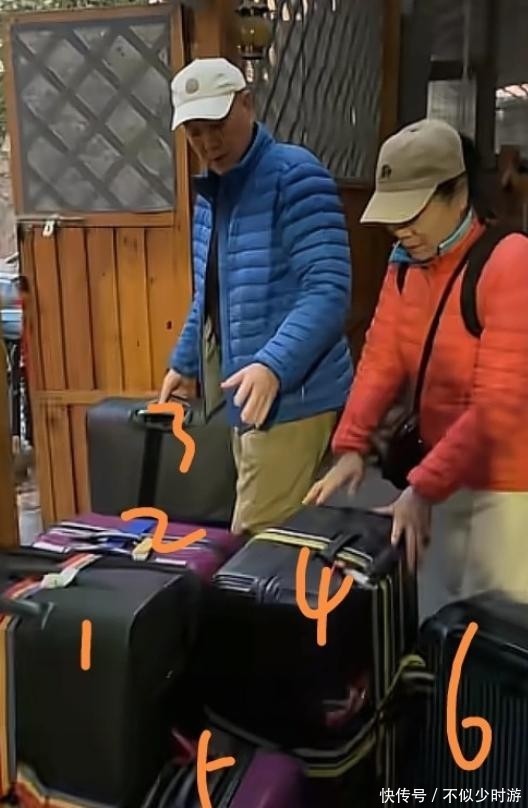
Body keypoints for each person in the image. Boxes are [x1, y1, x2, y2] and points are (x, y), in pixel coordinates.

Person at [304, 117, 528, 612]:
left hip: (509, 485)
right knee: (442, 614)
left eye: (413, 213)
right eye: (393, 216)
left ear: (459, 193)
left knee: (500, 627)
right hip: (442, 471)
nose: (402, 229)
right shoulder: (404, 263)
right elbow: (382, 356)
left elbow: (498, 407)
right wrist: (351, 445)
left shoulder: (510, 262)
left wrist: (423, 488)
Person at [160, 57, 353, 537]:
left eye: (218, 125)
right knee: (283, 539)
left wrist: (273, 366)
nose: (209, 143)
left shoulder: (294, 174)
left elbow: (328, 291)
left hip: (294, 397)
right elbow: (210, 294)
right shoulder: (215, 192)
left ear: (247, 103)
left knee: (259, 538)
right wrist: (185, 362)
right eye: (195, 132)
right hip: (247, 396)